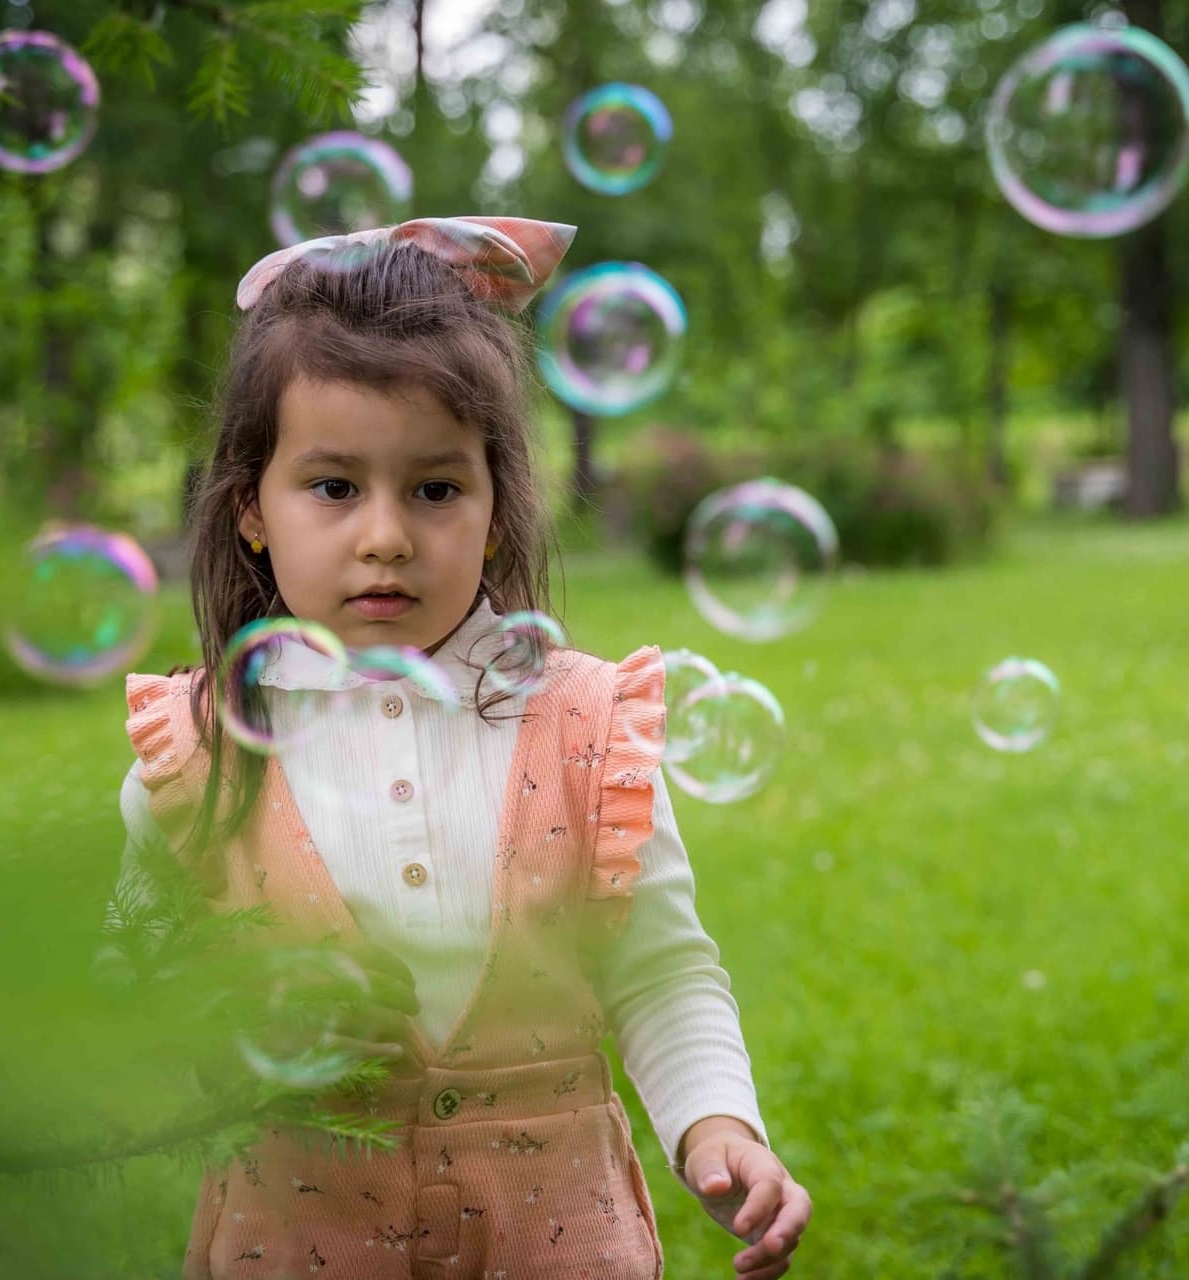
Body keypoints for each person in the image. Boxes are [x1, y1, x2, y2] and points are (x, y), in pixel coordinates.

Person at [112, 216, 811, 1279]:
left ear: (494, 510)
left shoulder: (584, 726)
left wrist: (719, 1124)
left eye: (436, 488)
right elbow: (123, 998)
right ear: (252, 507)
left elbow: (662, 966)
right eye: (334, 487)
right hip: (301, 1230)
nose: (386, 534)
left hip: (556, 1231)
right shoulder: (198, 756)